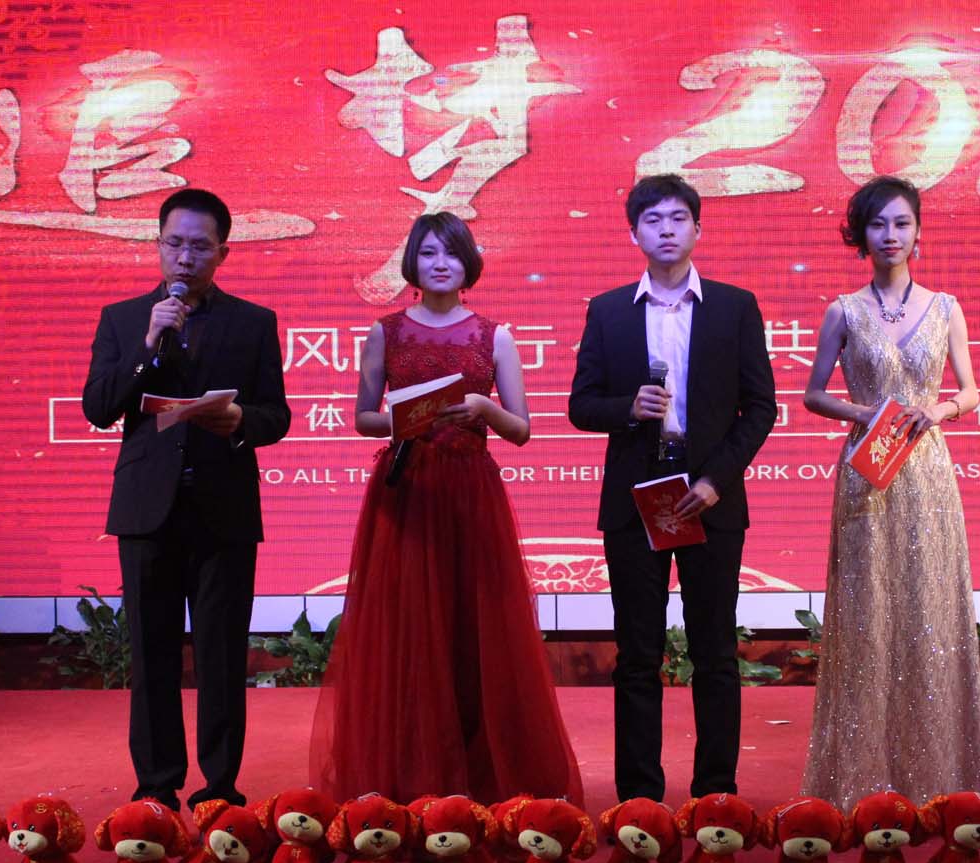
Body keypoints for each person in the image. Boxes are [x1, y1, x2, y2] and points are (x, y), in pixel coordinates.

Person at [309, 212, 583, 804]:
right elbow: (363, 418)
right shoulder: (386, 332)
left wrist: (483, 408)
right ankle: (407, 773)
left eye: (452, 253)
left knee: (473, 628)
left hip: (468, 492)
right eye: (429, 252)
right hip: (406, 492)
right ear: (412, 261)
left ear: (469, 263)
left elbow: (521, 430)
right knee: (406, 633)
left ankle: (481, 775)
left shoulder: (494, 336)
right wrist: (407, 418)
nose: (440, 263)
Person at [568, 174, 777, 802]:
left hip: (709, 495)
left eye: (678, 218)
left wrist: (717, 479)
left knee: (714, 651)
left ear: (697, 229)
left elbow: (760, 407)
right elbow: (581, 405)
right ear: (634, 232)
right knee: (638, 653)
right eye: (653, 219)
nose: (666, 229)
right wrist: (627, 408)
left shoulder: (734, 307)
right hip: (637, 499)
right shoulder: (608, 311)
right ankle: (639, 798)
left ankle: (716, 792)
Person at [83, 188, 291, 811]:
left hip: (224, 510)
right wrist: (147, 347)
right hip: (147, 510)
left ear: (223, 252)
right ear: (157, 245)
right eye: (174, 243)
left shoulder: (253, 323)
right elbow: (98, 407)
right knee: (151, 653)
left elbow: (276, 414)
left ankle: (220, 786)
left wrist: (242, 420)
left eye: (200, 246)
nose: (185, 257)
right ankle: (156, 786)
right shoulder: (124, 319)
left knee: (222, 655)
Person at [800, 175, 980, 809]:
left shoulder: (946, 307)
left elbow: (971, 391)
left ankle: (938, 778)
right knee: (868, 615)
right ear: (861, 234)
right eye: (878, 224)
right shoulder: (843, 311)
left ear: (918, 231)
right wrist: (864, 413)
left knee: (929, 610)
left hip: (927, 473)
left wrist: (938, 410)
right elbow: (813, 394)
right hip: (867, 468)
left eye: (902, 223)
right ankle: (859, 781)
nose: (891, 235)